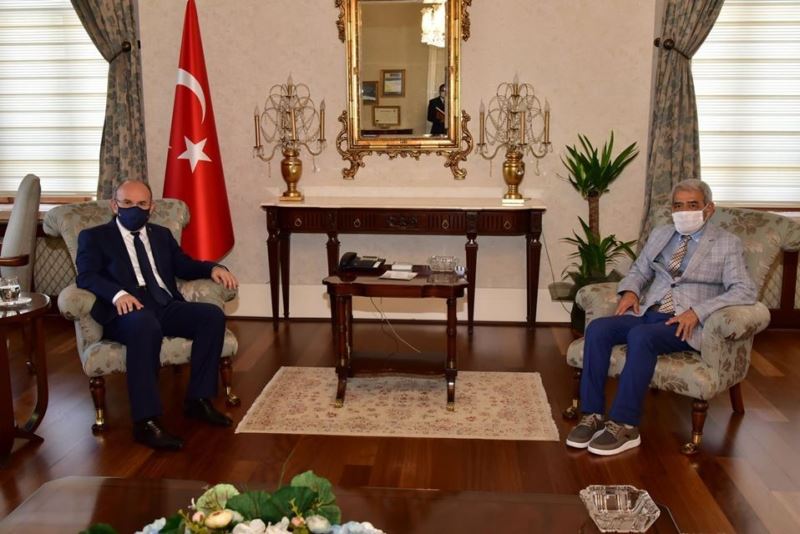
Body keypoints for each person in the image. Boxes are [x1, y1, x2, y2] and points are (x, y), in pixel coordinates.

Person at [566, 179, 757, 456]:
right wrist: (631, 290)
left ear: (709, 209)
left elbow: (744, 289)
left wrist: (698, 311)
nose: (684, 211)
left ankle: (625, 424)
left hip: (684, 322)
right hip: (649, 312)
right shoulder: (661, 234)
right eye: (678, 205)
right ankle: (592, 414)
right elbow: (639, 270)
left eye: (692, 205)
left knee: (640, 336)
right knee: (598, 328)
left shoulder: (727, 243)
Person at [76, 179, 239, 451]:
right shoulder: (94, 237)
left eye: (141, 204)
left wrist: (213, 268)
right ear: (114, 205)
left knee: (211, 316)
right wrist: (117, 294)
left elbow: (183, 265)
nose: (134, 209)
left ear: (151, 208)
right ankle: (145, 421)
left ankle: (198, 400)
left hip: (163, 303)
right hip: (126, 311)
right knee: (145, 325)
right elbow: (87, 276)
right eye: (127, 203)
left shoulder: (161, 235)